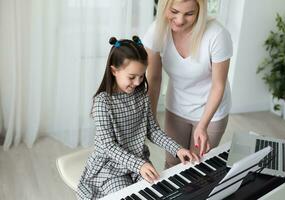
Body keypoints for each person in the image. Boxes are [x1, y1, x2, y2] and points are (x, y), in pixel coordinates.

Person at [76, 36, 198, 199]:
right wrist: (139, 165)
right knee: (129, 196)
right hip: (110, 167)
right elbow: (108, 146)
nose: (138, 82)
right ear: (114, 71)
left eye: (141, 76)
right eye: (132, 77)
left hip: (138, 161)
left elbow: (153, 130)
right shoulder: (103, 103)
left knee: (156, 192)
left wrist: (178, 149)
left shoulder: (141, 96)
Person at [143, 0, 233, 169]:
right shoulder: (157, 30)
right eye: (174, 11)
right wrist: (151, 116)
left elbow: (218, 85)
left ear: (199, 11)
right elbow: (154, 78)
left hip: (211, 112)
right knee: (172, 163)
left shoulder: (217, 35)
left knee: (198, 168)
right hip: (177, 107)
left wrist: (203, 125)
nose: (179, 20)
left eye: (189, 14)